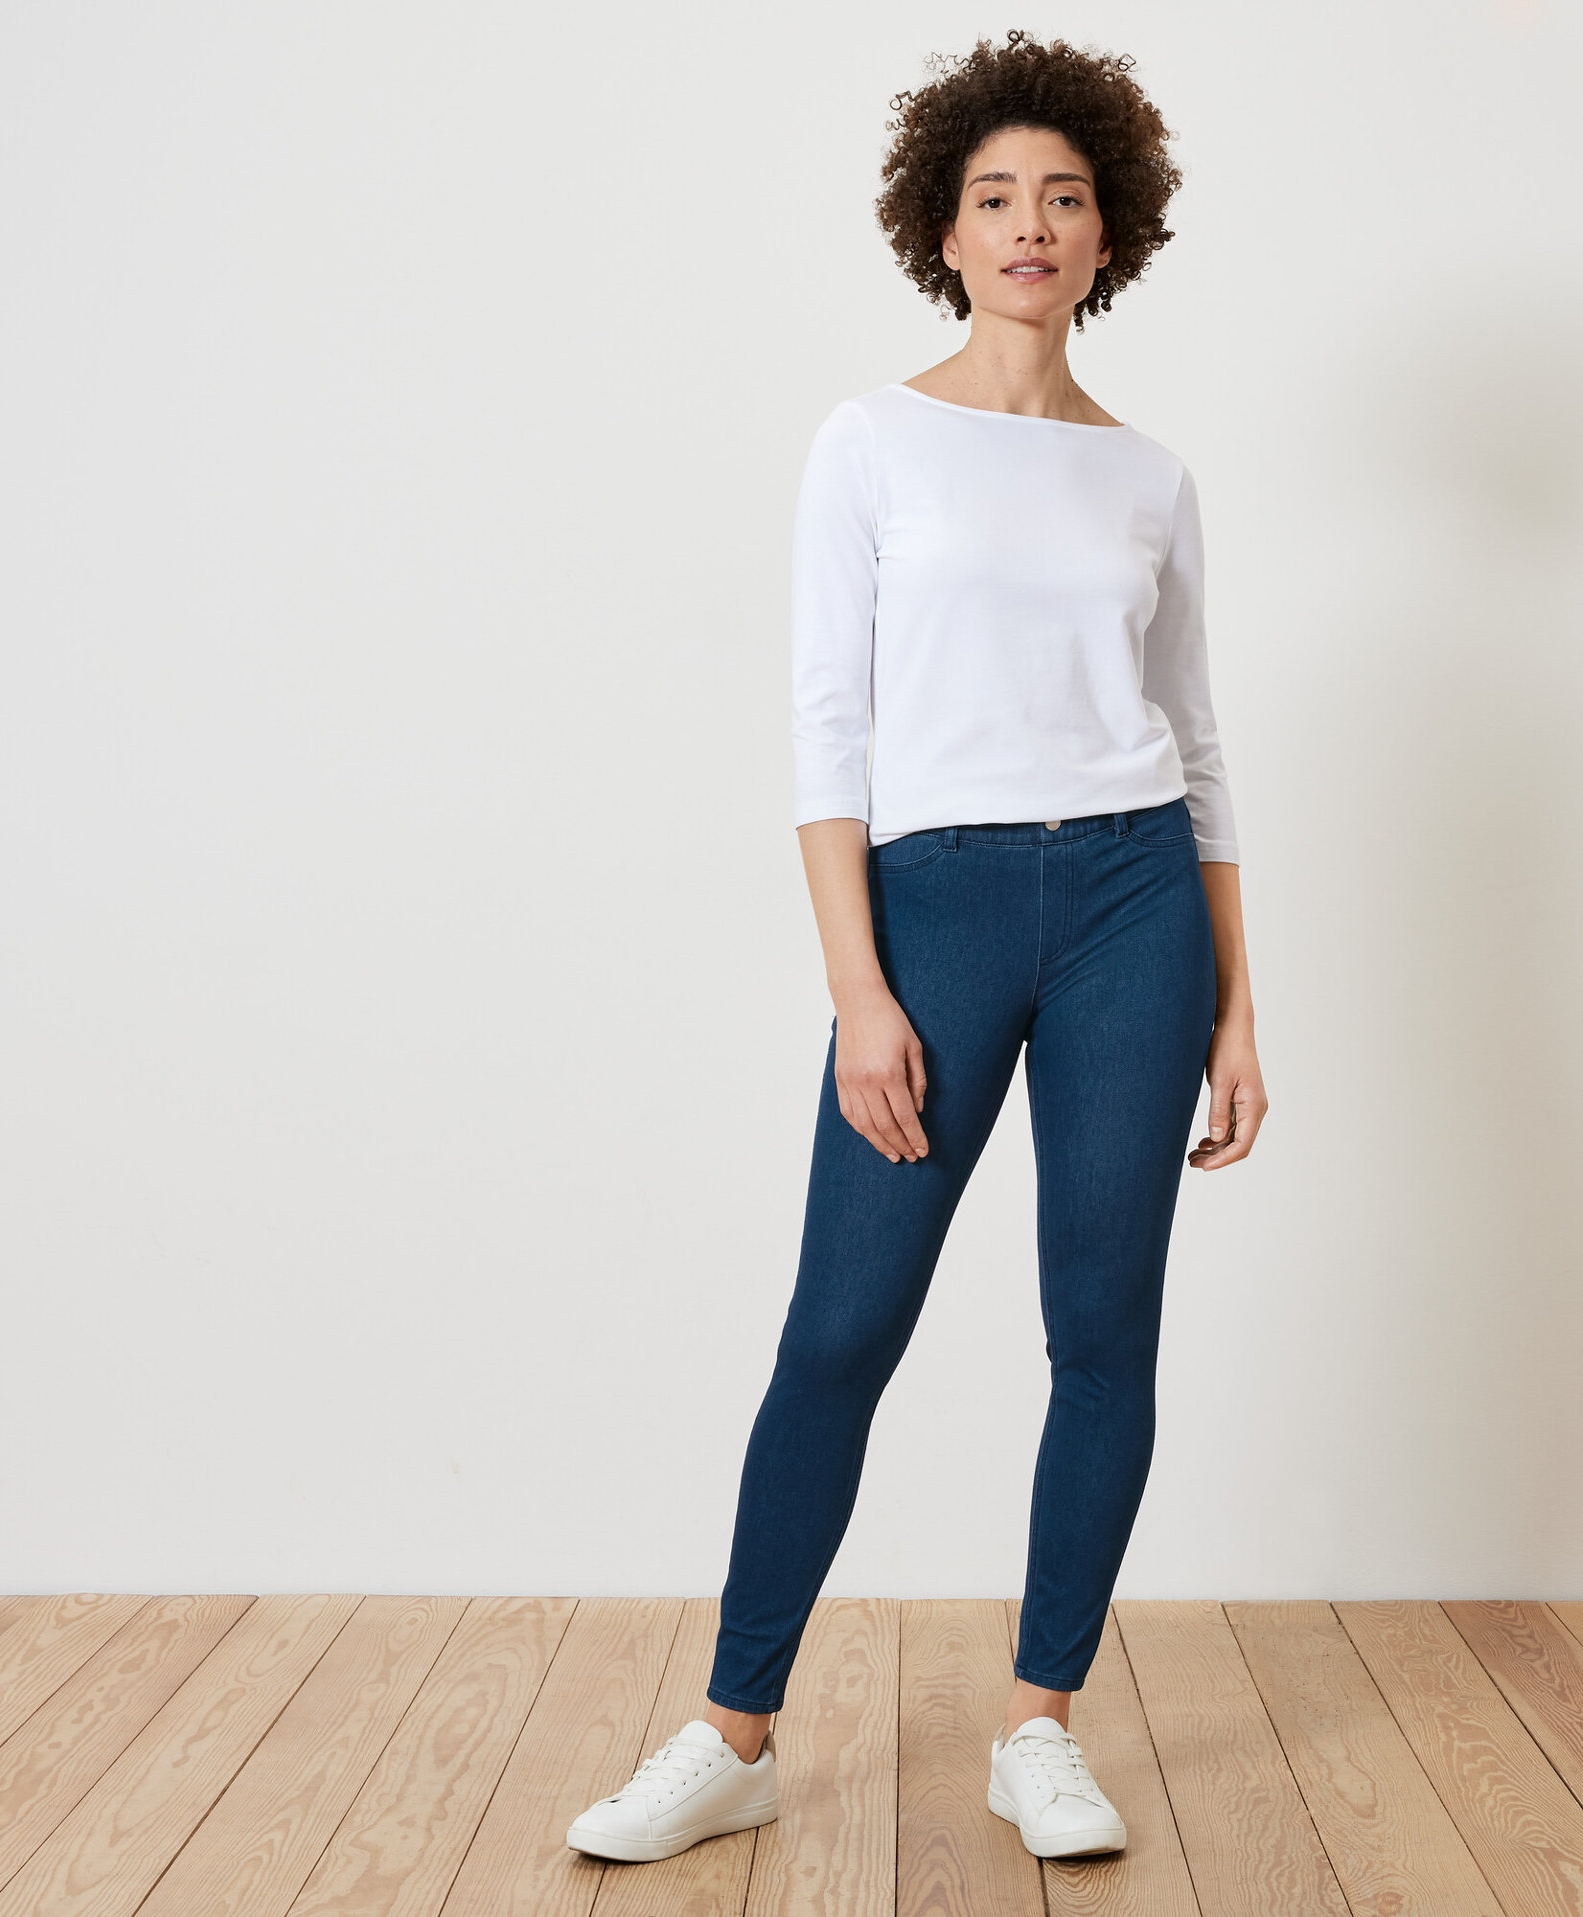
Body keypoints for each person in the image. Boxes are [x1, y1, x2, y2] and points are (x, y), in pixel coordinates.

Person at [567, 29, 1265, 1866]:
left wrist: (1238, 1006)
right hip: (933, 902)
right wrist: (857, 986)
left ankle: (1038, 1721)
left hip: (1131, 904)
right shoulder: (870, 437)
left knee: (1102, 1330)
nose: (1028, 226)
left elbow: (1194, 752)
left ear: (1109, 235)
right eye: (992, 200)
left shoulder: (1153, 479)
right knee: (842, 1326)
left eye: (1062, 199)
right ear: (939, 230)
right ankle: (734, 1728)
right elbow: (827, 730)